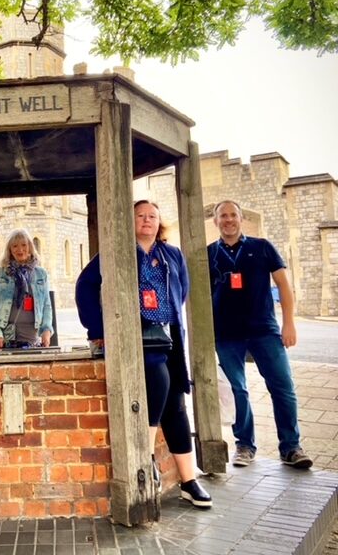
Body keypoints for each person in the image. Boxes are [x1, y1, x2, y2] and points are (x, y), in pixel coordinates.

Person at [75, 200, 212, 508]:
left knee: (176, 402)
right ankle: (145, 457)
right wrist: (99, 329)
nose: (147, 220)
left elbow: (183, 290)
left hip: (169, 334)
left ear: (159, 221)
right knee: (158, 375)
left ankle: (189, 481)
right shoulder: (116, 251)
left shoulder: (172, 254)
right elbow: (85, 286)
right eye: (140, 215)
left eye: (152, 216)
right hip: (134, 335)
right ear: (130, 220)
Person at [208, 200, 312, 469]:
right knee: (236, 390)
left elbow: (283, 285)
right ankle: (244, 445)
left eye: (233, 215)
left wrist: (288, 323)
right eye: (223, 216)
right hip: (226, 334)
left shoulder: (262, 247)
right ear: (215, 221)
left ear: (241, 218)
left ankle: (291, 447)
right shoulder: (208, 254)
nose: (229, 220)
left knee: (283, 387)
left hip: (264, 329)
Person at [0, 228, 53, 349]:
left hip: (32, 340)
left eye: (23, 245)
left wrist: (47, 330)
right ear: (9, 250)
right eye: (15, 246)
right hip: (4, 340)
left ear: (30, 247)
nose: (20, 250)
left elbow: (47, 305)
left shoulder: (41, 274)